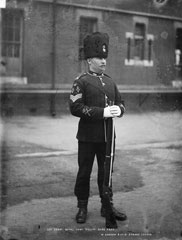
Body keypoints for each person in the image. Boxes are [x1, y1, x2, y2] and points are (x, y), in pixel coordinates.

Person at [69, 32, 127, 224]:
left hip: (108, 138)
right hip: (87, 137)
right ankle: (82, 207)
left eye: (105, 58)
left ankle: (106, 206)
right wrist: (102, 112)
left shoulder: (110, 82)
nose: (104, 62)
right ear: (89, 60)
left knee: (106, 172)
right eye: (99, 58)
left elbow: (122, 104)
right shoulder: (81, 82)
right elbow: (75, 108)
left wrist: (118, 109)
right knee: (84, 172)